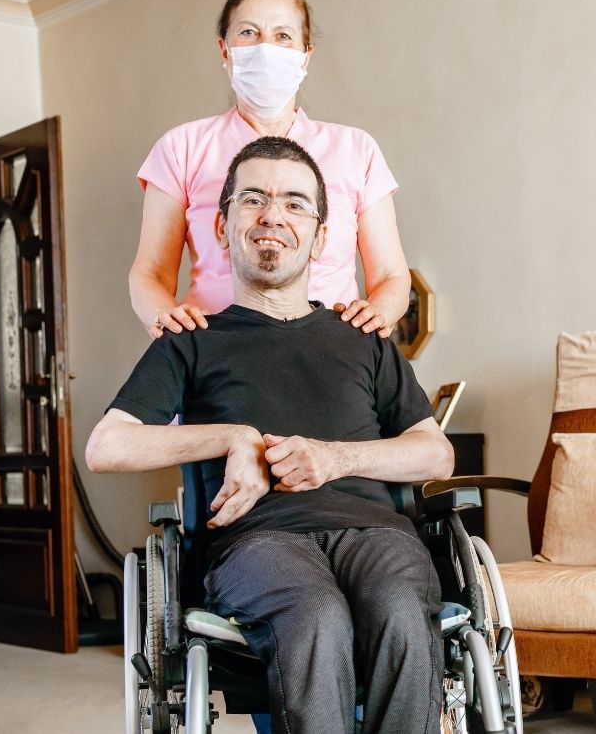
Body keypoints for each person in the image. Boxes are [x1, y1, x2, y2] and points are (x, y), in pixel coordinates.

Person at [88, 137, 453, 733]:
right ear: (221, 224)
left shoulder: (361, 337)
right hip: (255, 544)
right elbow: (106, 447)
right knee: (315, 616)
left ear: (322, 233)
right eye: (252, 199)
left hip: (374, 533)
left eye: (294, 204)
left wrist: (333, 458)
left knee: (400, 612)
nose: (272, 216)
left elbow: (435, 453)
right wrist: (235, 437)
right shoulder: (191, 338)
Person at [130, 0, 410, 341]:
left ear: (306, 54)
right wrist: (171, 329)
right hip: (218, 349)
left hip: (330, 349)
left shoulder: (357, 149)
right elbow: (150, 272)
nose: (265, 48)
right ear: (224, 49)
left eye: (283, 36)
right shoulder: (181, 147)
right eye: (248, 32)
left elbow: (391, 274)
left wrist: (378, 316)